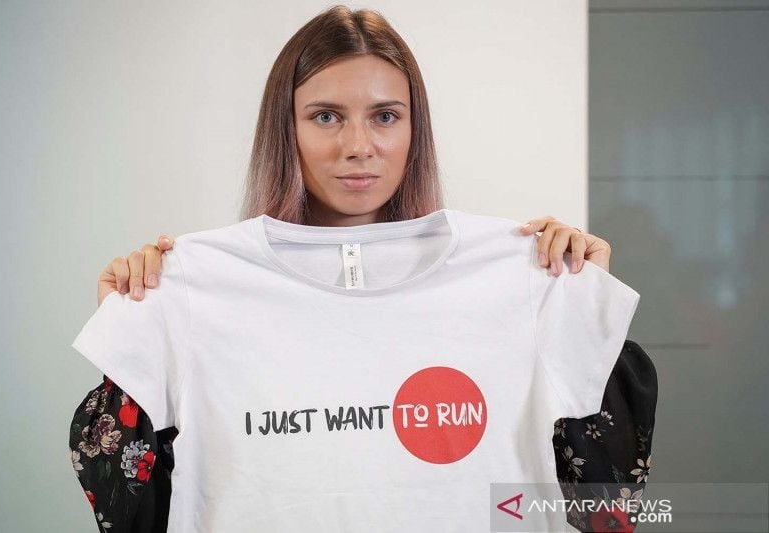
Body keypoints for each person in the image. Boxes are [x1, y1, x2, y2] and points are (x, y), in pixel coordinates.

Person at [69, 5, 656, 532]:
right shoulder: (196, 286)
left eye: (384, 116)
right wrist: (135, 340)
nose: (359, 145)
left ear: (413, 130)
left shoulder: (521, 275)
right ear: (286, 130)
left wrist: (584, 314)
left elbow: (606, 507)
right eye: (326, 117)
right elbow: (130, 513)